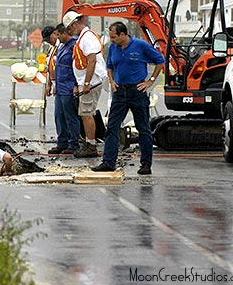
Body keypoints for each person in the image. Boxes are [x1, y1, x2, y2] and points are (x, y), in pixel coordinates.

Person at [91, 21, 165, 175]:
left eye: (113, 37)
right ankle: (108, 162)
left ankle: (145, 164)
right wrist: (111, 81)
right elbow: (110, 65)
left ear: (123, 34)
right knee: (112, 127)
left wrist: (150, 81)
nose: (111, 40)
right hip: (119, 92)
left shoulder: (140, 46)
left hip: (137, 92)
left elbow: (160, 60)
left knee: (143, 128)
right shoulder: (113, 47)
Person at [63, 11, 107, 158]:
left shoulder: (87, 38)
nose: (70, 32)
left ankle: (91, 146)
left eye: (69, 28)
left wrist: (87, 83)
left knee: (86, 113)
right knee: (86, 113)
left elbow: (92, 60)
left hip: (91, 81)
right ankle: (90, 143)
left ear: (75, 24)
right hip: (87, 81)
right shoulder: (83, 37)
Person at [46, 25, 81, 155]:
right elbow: (56, 67)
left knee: (71, 117)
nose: (57, 37)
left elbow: (78, 68)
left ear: (65, 33)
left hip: (69, 87)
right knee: (59, 116)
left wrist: (76, 85)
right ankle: (62, 143)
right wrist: (54, 84)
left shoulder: (74, 46)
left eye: (59, 34)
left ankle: (73, 144)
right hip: (60, 87)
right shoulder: (61, 47)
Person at [41, 25, 61, 97]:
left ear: (55, 33)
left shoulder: (61, 46)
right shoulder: (51, 48)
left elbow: (61, 69)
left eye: (49, 39)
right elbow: (51, 68)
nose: (48, 42)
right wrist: (49, 85)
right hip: (55, 83)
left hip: (61, 85)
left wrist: (57, 86)